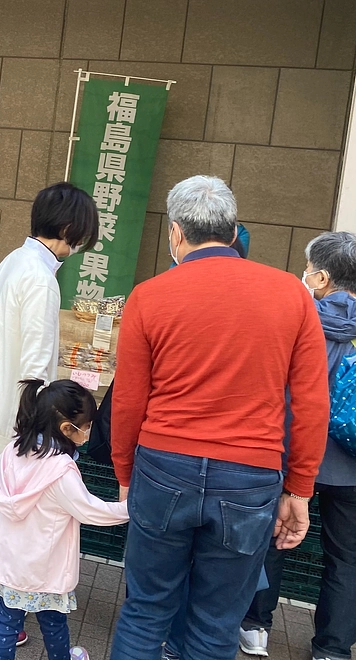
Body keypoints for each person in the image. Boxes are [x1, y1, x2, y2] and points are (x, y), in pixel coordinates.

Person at [109, 175, 329, 660]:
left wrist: (125, 474)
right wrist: (299, 489)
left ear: (176, 234)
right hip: (251, 476)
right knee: (216, 624)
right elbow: (312, 404)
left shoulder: (149, 296)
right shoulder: (293, 296)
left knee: (146, 611)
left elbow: (128, 400)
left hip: (163, 465)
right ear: (232, 232)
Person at [0, 182, 99, 645]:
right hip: (14, 413)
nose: (78, 249)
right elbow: (36, 366)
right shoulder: (40, 278)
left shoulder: (17, 260)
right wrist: (44, 430)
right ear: (68, 229)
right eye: (81, 238)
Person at [0, 378, 127, 660]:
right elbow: (89, 510)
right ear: (67, 428)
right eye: (87, 426)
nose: (88, 433)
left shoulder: (10, 451)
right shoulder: (60, 470)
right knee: (53, 621)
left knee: (6, 621)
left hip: (9, 561)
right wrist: (130, 509)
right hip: (44, 566)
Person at [301, 232, 356, 660]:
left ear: (320, 277)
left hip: (300, 453)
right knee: (348, 558)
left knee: (273, 538)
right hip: (352, 466)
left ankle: (256, 626)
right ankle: (332, 649)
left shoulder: (300, 320)